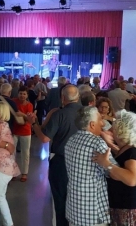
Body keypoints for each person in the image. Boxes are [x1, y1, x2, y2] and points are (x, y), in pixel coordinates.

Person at [28, 84, 82, 226]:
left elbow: (45, 138)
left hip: (62, 162)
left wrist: (34, 124)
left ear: (63, 98)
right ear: (78, 97)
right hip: (83, 162)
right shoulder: (87, 113)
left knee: (60, 199)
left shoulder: (60, 114)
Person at [65, 106, 111, 226]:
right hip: (93, 211)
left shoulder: (71, 140)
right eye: (100, 120)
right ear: (92, 125)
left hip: (74, 207)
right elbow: (112, 171)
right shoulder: (97, 143)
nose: (102, 123)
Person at [94, 110, 136, 225]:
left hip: (126, 208)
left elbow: (132, 179)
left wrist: (106, 164)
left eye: (115, 125)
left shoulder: (132, 151)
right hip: (120, 205)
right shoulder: (126, 148)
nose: (111, 129)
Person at [12, 86, 33, 182]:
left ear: (27, 95)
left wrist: (23, 115)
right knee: (12, 152)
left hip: (25, 131)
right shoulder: (13, 102)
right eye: (20, 93)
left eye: (24, 94)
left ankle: (24, 173)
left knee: (25, 153)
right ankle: (13, 172)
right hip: (14, 130)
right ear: (18, 94)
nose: (22, 95)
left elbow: (30, 119)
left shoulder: (29, 105)